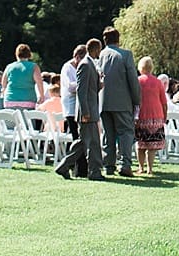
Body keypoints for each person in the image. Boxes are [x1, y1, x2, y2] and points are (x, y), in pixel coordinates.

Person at [56, 39, 105, 181]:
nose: (100, 52)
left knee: (84, 142)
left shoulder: (90, 64)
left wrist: (100, 83)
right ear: (95, 49)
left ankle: (66, 166)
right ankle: (94, 171)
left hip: (90, 109)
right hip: (87, 111)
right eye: (99, 49)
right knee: (91, 143)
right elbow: (81, 90)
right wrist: (85, 112)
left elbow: (90, 89)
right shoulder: (85, 65)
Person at [97, 26, 141, 177]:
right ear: (118, 39)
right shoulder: (126, 55)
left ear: (105, 40)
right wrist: (136, 100)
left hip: (104, 102)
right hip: (122, 101)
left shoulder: (100, 56)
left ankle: (109, 165)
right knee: (126, 133)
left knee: (108, 135)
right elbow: (133, 80)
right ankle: (125, 164)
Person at [134, 56, 168, 177]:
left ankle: (141, 167)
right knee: (152, 146)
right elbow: (164, 102)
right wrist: (165, 116)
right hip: (156, 115)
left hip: (141, 115)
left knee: (140, 144)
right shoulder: (158, 82)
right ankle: (150, 168)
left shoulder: (137, 81)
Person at [59, 44, 90, 178]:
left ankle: (77, 168)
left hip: (80, 106)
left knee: (79, 139)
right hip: (71, 108)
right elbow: (70, 87)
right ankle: (76, 168)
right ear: (77, 57)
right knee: (77, 139)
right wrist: (85, 84)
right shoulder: (67, 67)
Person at [2, 45, 42, 110]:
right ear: (29, 54)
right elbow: (39, 82)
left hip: (10, 100)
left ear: (16, 54)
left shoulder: (9, 66)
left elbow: (4, 84)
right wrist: (41, 96)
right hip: (28, 100)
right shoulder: (33, 67)